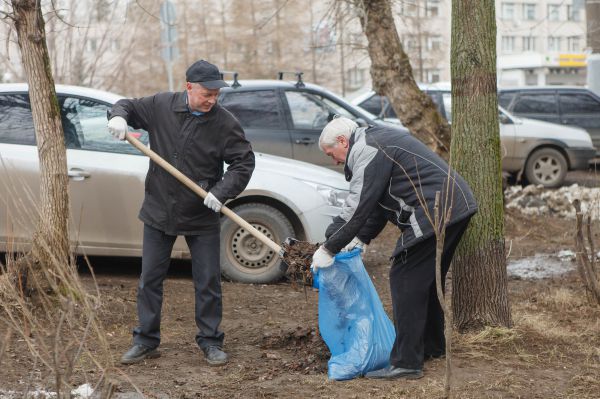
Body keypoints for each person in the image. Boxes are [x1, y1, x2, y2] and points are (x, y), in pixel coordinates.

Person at [107, 60, 255, 366]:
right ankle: (146, 340)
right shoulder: (161, 106)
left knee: (208, 281)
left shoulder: (224, 123)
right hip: (159, 208)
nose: (213, 99)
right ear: (189, 87)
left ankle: (211, 341)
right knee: (150, 279)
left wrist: (222, 192)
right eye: (207, 93)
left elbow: (244, 162)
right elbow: (125, 106)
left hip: (200, 213)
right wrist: (118, 118)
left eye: (216, 94)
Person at [312, 116, 477, 379]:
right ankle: (432, 346)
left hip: (434, 208)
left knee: (404, 278)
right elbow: (377, 202)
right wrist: (362, 238)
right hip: (455, 204)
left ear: (343, 141)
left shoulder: (367, 149)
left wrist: (329, 247)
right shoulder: (374, 140)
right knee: (425, 281)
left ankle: (406, 362)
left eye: (332, 153)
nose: (334, 160)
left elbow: (358, 205)